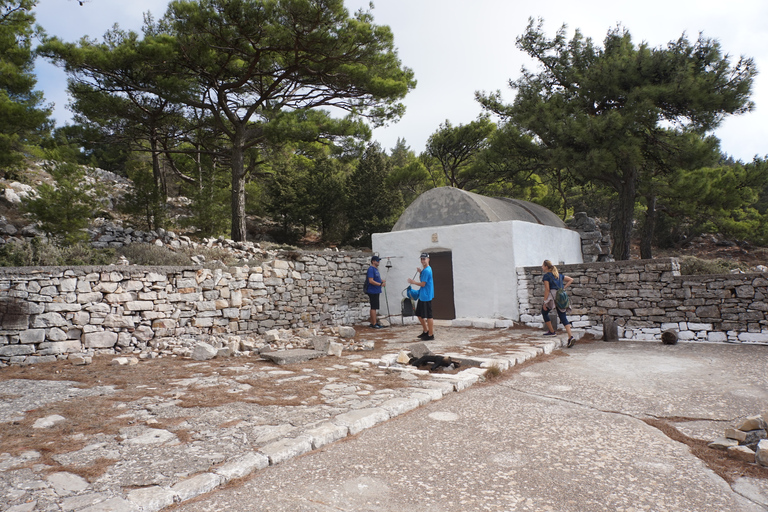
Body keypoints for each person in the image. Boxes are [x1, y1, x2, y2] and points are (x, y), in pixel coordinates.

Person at [541, 259, 575, 348]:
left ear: (546, 267)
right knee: (563, 316)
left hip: (552, 296)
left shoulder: (546, 276)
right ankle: (570, 336)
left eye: (543, 266)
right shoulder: (558, 275)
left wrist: (545, 302)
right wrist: (563, 288)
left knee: (544, 312)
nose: (542, 267)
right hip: (561, 296)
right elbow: (571, 279)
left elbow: (547, 290)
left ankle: (552, 331)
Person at [407, 253, 434, 340]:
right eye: (421, 259)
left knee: (429, 316)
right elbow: (422, 280)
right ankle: (425, 331)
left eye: (424, 259)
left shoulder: (427, 270)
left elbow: (423, 284)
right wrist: (420, 272)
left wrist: (413, 282)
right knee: (419, 314)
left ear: (428, 259)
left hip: (426, 296)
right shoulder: (425, 270)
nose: (422, 261)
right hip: (423, 295)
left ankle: (431, 334)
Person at [366, 255, 385, 328]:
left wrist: (382, 281)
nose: (379, 262)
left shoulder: (376, 269)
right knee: (373, 307)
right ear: (373, 261)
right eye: (377, 260)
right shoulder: (371, 269)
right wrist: (380, 284)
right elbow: (371, 281)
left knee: (374, 307)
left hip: (376, 290)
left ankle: (373, 322)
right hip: (372, 291)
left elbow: (376, 279)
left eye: (379, 260)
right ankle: (374, 323)